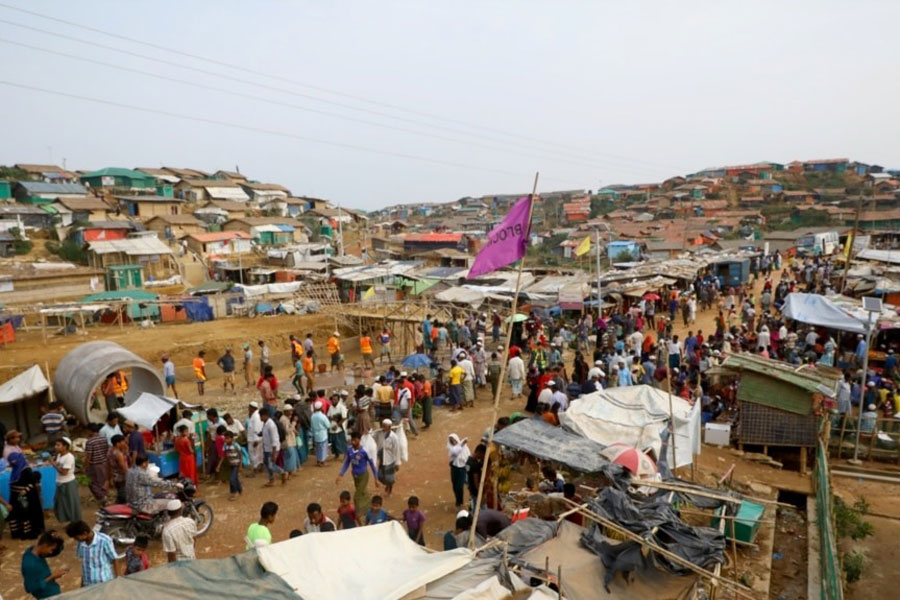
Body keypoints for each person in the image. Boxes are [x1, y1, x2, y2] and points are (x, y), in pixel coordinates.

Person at [335, 431, 380, 516]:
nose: (353, 442)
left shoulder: (365, 451)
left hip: (363, 476)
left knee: (357, 496)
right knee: (363, 492)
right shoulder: (349, 450)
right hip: (355, 475)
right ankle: (369, 506)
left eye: (355, 440)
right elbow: (347, 462)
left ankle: (358, 513)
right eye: (352, 440)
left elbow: (372, 465)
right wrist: (341, 474)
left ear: (359, 440)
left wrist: (376, 478)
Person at [65, 520, 118, 587]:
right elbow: (84, 564)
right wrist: (83, 583)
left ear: (85, 533)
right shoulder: (80, 543)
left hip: (103, 582)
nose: (75, 540)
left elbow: (114, 559)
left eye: (76, 537)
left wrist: (117, 578)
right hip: (88, 583)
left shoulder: (104, 540)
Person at [7, 452, 45, 540]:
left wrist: (25, 490)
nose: (12, 463)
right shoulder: (15, 470)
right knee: (14, 513)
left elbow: (32, 483)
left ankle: (27, 533)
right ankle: (17, 533)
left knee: (25, 514)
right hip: (14, 496)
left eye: (14, 461)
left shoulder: (26, 469)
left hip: (24, 497)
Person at [22, 529, 66, 598]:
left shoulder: (33, 551)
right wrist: (52, 577)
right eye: (51, 549)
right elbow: (29, 588)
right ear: (45, 545)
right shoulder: (30, 564)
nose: (51, 553)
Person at [53, 437, 81, 524]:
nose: (56, 447)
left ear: (65, 446)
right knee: (61, 503)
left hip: (68, 483)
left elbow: (64, 472)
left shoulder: (69, 457)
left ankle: (75, 522)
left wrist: (54, 465)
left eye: (58, 445)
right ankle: (67, 520)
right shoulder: (59, 455)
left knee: (71, 504)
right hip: (60, 482)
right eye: (56, 445)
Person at [83, 423, 110, 504]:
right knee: (102, 481)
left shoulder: (90, 441)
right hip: (104, 463)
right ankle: (104, 495)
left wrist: (85, 467)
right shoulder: (104, 439)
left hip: (94, 465)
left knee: (92, 482)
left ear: (90, 431)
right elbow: (106, 451)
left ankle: (101, 497)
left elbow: (89, 456)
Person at [260, 407, 286, 486]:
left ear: (265, 415)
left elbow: (274, 439)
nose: (260, 418)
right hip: (267, 448)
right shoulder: (265, 423)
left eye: (261, 416)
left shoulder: (271, 425)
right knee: (267, 464)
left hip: (272, 449)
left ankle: (282, 472)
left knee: (270, 465)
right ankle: (271, 479)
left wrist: (273, 452)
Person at [377, 419, 400, 496]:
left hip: (390, 460)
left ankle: (389, 488)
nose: (383, 427)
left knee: (389, 477)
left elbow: (397, 450)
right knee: (380, 475)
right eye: (382, 426)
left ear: (389, 427)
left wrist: (397, 463)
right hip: (382, 458)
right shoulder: (380, 433)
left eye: (385, 426)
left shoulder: (394, 437)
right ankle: (387, 484)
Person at [447, 434, 470, 509]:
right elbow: (455, 452)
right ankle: (458, 500)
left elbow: (468, 456)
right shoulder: (451, 448)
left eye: (454, 440)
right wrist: (462, 444)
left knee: (459, 486)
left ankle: (460, 502)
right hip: (454, 468)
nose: (453, 442)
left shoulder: (464, 447)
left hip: (462, 469)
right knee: (454, 485)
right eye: (451, 441)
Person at [106, 434, 129, 504]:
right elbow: (123, 468)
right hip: (121, 477)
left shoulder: (110, 450)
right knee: (123, 495)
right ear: (118, 443)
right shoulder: (118, 454)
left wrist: (109, 478)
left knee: (120, 493)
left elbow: (109, 466)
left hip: (115, 476)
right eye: (123, 442)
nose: (125, 443)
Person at [221, 430, 243, 500]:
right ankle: (239, 489)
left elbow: (240, 455)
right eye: (225, 438)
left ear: (232, 438)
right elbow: (223, 455)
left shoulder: (236, 445)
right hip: (230, 464)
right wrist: (219, 465)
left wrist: (240, 465)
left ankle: (234, 492)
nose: (226, 440)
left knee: (232, 479)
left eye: (227, 438)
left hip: (236, 464)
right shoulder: (225, 445)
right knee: (235, 478)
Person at [311, 400, 330, 466]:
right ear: (321, 407)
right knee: (323, 448)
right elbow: (328, 425)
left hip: (315, 434)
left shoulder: (313, 416)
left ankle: (318, 460)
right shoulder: (323, 416)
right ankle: (322, 461)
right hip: (322, 433)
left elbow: (312, 425)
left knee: (318, 448)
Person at [246, 401, 264, 473]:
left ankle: (255, 469)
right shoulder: (255, 415)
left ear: (251, 408)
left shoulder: (256, 416)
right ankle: (258, 467)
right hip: (256, 439)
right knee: (258, 454)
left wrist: (256, 440)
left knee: (253, 454)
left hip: (254, 439)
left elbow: (257, 428)